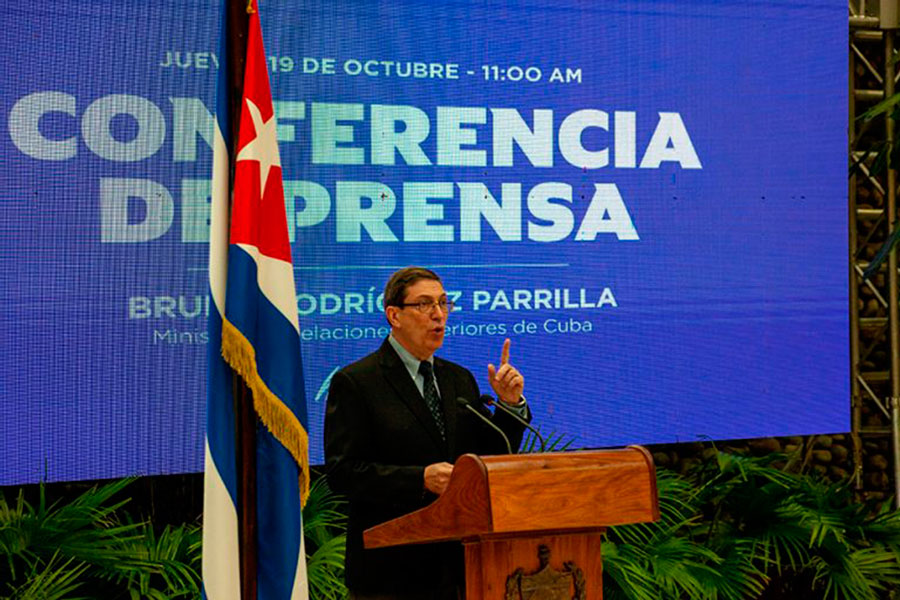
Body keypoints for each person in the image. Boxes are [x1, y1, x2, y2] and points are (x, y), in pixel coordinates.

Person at [324, 266, 530, 599]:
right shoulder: (358, 382)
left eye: (443, 303)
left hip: (460, 566)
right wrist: (419, 478)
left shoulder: (457, 379)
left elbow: (489, 457)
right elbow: (343, 472)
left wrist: (509, 405)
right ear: (394, 315)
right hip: (390, 573)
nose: (438, 314)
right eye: (423, 304)